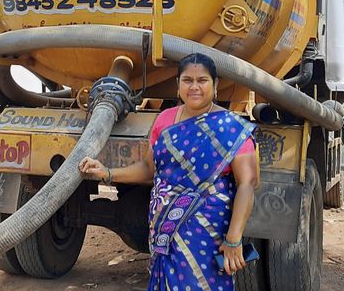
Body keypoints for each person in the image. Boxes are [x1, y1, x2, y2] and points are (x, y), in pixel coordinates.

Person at [79, 53, 259, 291]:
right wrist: (107, 173)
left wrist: (234, 238)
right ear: (178, 85)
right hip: (163, 228)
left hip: (207, 230)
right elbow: (147, 169)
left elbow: (248, 183)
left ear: (215, 85)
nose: (194, 86)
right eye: (187, 80)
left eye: (202, 80)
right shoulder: (165, 120)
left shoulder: (231, 127)